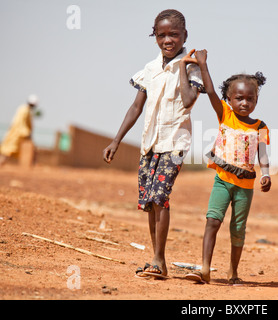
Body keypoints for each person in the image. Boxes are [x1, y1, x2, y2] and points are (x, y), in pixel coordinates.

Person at [102, 9, 204, 279]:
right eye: (161, 35)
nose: (167, 40)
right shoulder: (149, 69)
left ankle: (159, 260)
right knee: (150, 202)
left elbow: (189, 99)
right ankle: (156, 259)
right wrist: (116, 140)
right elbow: (136, 107)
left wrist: (183, 66)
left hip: (174, 143)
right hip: (150, 144)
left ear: (185, 35)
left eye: (174, 34)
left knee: (160, 197)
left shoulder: (192, 66)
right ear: (155, 37)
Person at [183, 49, 271, 284]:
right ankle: (204, 269)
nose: (244, 103)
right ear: (230, 100)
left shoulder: (260, 126)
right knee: (213, 220)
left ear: (256, 100)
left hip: (245, 186)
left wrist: (266, 174)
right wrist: (203, 64)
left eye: (249, 99)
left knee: (238, 228)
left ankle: (233, 273)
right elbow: (210, 91)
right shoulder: (225, 116)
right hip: (222, 181)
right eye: (239, 98)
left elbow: (262, 152)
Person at [0, 94, 39, 166]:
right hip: (17, 134)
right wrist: (26, 132)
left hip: (20, 134)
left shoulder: (26, 110)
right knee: (9, 149)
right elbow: (20, 123)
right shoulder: (24, 110)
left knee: (11, 150)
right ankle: (1, 162)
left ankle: (33, 163)